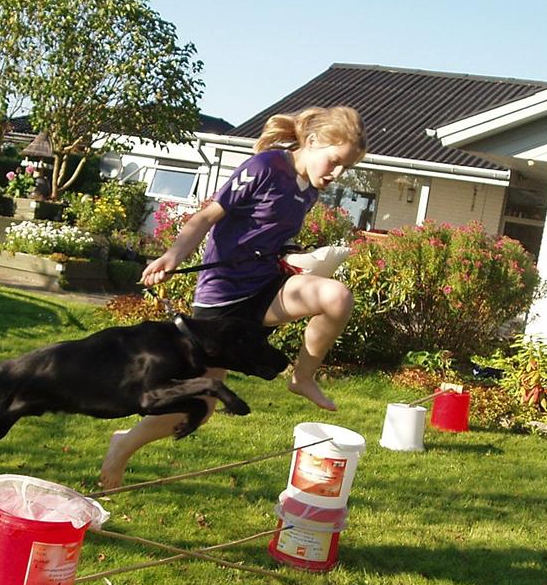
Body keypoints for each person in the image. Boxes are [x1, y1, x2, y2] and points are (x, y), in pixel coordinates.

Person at [99, 105, 367, 490]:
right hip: (222, 301)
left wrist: (293, 256)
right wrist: (173, 256)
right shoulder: (265, 168)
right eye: (335, 161)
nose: (337, 174)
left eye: (345, 168)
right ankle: (123, 446)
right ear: (312, 142)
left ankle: (302, 377)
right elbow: (207, 218)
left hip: (265, 288)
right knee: (200, 408)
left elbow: (266, 235)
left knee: (337, 297)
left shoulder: (308, 189)